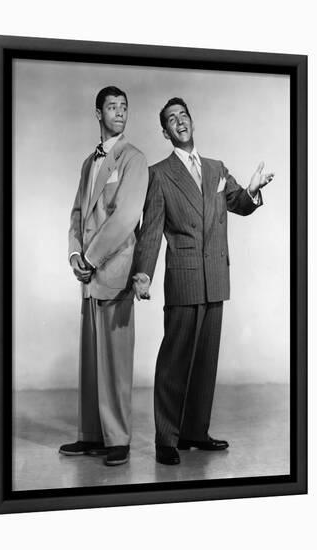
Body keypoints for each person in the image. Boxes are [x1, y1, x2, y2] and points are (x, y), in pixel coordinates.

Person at [133, 97, 274, 466]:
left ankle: (194, 432)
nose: (180, 122)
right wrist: (143, 273)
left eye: (184, 115)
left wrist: (253, 190)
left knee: (205, 362)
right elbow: (150, 231)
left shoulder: (216, 168)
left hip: (216, 278)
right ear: (165, 132)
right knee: (175, 361)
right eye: (171, 119)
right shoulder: (159, 174)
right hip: (183, 279)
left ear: (192, 122)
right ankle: (167, 437)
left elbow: (238, 204)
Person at [59, 86, 148, 466]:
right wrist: (75, 253)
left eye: (124, 107)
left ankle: (118, 439)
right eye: (112, 107)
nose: (119, 112)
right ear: (98, 114)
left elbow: (127, 218)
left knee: (115, 361)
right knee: (91, 360)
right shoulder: (88, 162)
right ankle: (92, 436)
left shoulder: (134, 159)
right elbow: (77, 212)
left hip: (114, 270)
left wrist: (91, 257)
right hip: (89, 274)